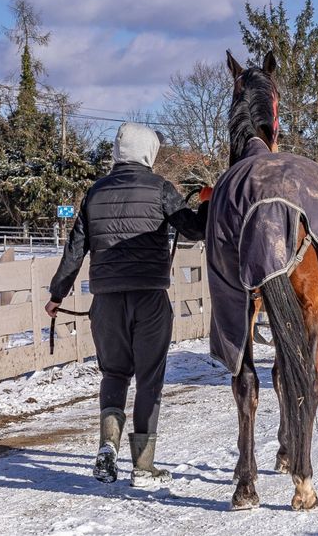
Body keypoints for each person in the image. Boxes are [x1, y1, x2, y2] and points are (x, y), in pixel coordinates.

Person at [46, 122, 208, 487]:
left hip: (105, 301)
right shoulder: (160, 189)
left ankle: (108, 444)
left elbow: (75, 248)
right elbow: (195, 230)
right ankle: (143, 465)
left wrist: (57, 294)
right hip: (149, 298)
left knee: (115, 374)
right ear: (148, 152)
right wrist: (208, 201)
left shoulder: (94, 193)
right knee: (149, 378)